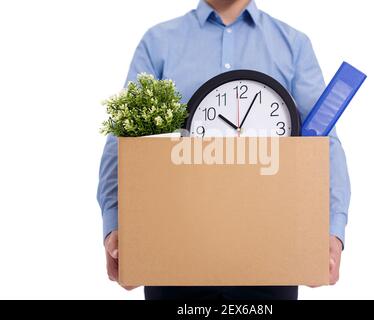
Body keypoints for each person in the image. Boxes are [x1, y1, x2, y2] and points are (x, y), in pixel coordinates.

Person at [97, 0, 350, 300]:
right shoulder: (159, 43)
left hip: (270, 253)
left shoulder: (293, 45)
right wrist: (115, 225)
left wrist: (332, 230)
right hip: (176, 251)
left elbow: (324, 142)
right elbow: (124, 140)